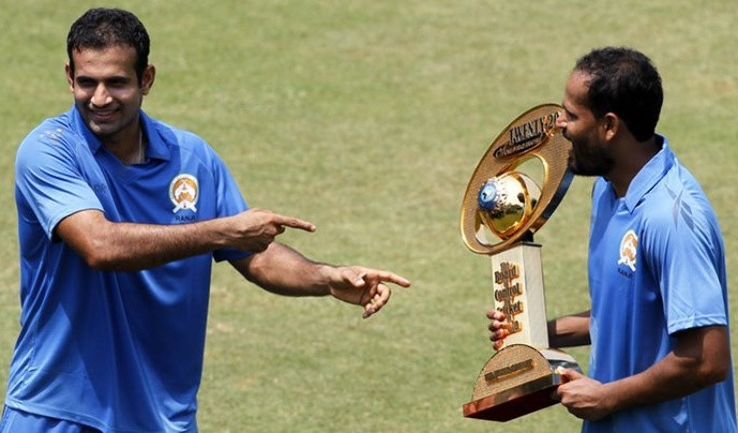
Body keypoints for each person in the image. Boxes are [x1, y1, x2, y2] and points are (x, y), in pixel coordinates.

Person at [1, 8, 410, 433]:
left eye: (117, 82)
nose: (100, 98)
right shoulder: (49, 151)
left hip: (162, 418)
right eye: (87, 82)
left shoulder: (192, 159)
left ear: (146, 79)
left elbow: (256, 256)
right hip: (58, 412)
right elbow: (100, 246)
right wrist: (221, 231)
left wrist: (326, 278)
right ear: (70, 77)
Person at [488, 47, 737, 432]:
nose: (558, 125)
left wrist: (608, 397)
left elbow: (707, 359)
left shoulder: (673, 218)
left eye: (571, 115)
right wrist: (531, 333)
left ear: (609, 126)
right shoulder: (608, 192)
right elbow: (619, 318)